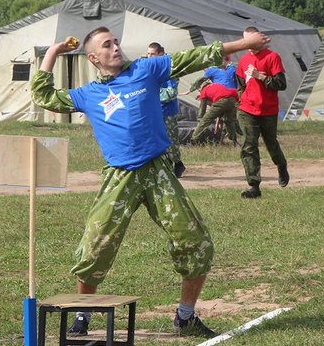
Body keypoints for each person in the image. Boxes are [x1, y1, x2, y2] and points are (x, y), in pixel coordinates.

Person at [31, 27, 269, 338]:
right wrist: (53, 52)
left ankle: (185, 316)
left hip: (157, 171)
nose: (115, 47)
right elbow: (44, 95)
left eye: (116, 41)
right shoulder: (89, 94)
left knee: (195, 240)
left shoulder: (146, 69)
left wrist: (242, 44)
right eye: (107, 45)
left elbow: (193, 57)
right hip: (120, 177)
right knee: (95, 246)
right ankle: (83, 314)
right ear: (93, 57)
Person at [235, 26, 289, 198]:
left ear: (259, 38)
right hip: (246, 109)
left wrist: (262, 77)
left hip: (268, 110)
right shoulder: (243, 60)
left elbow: (281, 84)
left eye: (250, 40)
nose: (247, 44)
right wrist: (241, 98)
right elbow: (240, 84)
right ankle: (254, 186)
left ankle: (281, 165)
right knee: (249, 144)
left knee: (271, 143)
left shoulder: (273, 57)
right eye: (245, 41)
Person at [147, 42, 186, 177]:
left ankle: (177, 163)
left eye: (152, 54)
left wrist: (152, 96)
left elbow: (171, 93)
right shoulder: (148, 70)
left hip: (167, 111)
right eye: (148, 54)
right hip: (153, 112)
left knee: (170, 140)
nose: (149, 57)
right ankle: (162, 167)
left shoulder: (169, 70)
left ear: (160, 54)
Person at [188, 79, 240, 145]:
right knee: (229, 121)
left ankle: (194, 139)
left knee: (206, 120)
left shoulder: (204, 91)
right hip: (232, 100)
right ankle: (234, 140)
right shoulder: (217, 85)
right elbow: (234, 92)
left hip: (221, 100)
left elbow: (202, 109)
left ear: (200, 88)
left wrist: (199, 121)